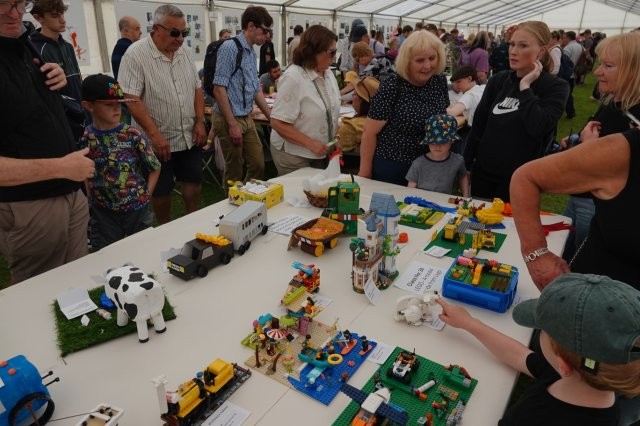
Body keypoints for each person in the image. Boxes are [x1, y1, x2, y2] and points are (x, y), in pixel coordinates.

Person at [437, 273, 640, 426]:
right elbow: (519, 355)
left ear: (563, 364)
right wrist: (469, 323)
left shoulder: (531, 418)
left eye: (542, 329)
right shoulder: (587, 377)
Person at [1, 0, 93, 284]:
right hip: (30, 206)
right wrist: (61, 167)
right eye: (3, 4)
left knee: (77, 285)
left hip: (70, 193)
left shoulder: (24, 45)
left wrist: (54, 80)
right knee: (39, 293)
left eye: (20, 3)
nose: (15, 13)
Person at [118, 4, 206, 225]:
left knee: (193, 180)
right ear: (156, 29)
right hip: (157, 141)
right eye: (175, 33)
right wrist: (154, 135)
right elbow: (131, 98)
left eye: (184, 33)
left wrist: (200, 120)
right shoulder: (135, 54)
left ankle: (192, 220)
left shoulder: (185, 52)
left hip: (188, 134)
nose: (180, 39)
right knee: (161, 188)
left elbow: (197, 88)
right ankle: (165, 226)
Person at [557, 31, 640, 265]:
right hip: (583, 198)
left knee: (581, 265)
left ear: (633, 70)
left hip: (600, 211)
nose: (597, 72)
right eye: (600, 63)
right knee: (564, 256)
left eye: (608, 66)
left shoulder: (634, 118)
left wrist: (589, 148)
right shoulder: (615, 103)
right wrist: (577, 138)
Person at [463, 21, 569, 202]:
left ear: (541, 51)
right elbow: (479, 125)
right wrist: (467, 164)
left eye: (523, 46)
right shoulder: (498, 81)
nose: (513, 51)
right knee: (478, 218)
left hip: (521, 179)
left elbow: (538, 127)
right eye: (512, 44)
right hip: (484, 174)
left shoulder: (555, 87)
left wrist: (525, 87)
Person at [79, 74, 161, 250]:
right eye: (109, 105)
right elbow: (83, 170)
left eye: (119, 103)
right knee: (107, 254)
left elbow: (155, 166)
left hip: (136, 208)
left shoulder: (132, 135)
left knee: (143, 250)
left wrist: (147, 194)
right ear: (88, 106)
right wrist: (90, 198)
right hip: (103, 212)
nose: (117, 109)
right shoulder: (86, 137)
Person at [359, 30, 449, 185]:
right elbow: (369, 132)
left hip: (429, 166)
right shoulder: (392, 86)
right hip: (393, 167)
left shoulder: (439, 81)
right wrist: (365, 172)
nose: (427, 65)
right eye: (420, 60)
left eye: (432, 58)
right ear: (407, 61)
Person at [212, 6, 272, 184]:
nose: (267, 36)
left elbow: (255, 89)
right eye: (265, 30)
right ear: (251, 26)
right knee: (234, 171)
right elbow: (218, 89)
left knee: (258, 164)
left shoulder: (251, 52)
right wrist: (232, 124)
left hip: (246, 116)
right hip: (228, 117)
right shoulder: (229, 47)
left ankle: (246, 196)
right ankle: (233, 200)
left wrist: (271, 118)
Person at [269, 25, 340, 176]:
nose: (335, 57)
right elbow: (277, 122)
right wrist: (310, 144)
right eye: (332, 52)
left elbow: (330, 109)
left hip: (319, 153)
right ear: (314, 51)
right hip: (293, 156)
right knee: (299, 191)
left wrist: (334, 136)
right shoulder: (293, 77)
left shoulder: (328, 73)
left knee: (318, 188)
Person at [29, 0, 84, 142]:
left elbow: (77, 81)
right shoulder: (34, 50)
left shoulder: (68, 46)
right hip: (59, 123)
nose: (62, 20)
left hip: (81, 116)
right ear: (38, 18)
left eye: (62, 14)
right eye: (55, 15)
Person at [406, 114, 469, 197]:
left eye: (443, 142)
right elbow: (410, 189)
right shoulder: (418, 163)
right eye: (433, 142)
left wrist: (466, 196)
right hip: (420, 201)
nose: (437, 146)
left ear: (452, 141)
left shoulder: (458, 161)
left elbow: (463, 176)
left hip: (444, 201)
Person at [446, 65, 485, 155]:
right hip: (485, 131)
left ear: (469, 78)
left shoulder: (469, 95)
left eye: (459, 82)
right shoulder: (483, 88)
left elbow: (451, 113)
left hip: (473, 132)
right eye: (454, 83)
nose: (456, 85)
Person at [337, 76, 380, 153]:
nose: (352, 96)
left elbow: (332, 147)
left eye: (355, 94)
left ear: (363, 101)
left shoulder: (352, 127)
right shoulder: (380, 120)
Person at [560, 31, 583, 119]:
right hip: (574, 73)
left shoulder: (568, 48)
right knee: (568, 94)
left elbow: (563, 62)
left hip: (567, 74)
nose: (563, 40)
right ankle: (570, 112)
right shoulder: (579, 46)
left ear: (569, 38)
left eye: (564, 38)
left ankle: (571, 112)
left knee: (566, 95)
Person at [111, 16, 142, 80]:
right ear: (126, 31)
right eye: (137, 29)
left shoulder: (119, 47)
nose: (141, 32)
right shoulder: (131, 49)